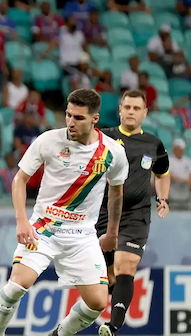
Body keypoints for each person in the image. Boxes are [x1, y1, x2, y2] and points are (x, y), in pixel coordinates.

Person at [0, 89, 129, 336]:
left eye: (78, 118)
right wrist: (22, 221)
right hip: (44, 228)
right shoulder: (49, 140)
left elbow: (116, 193)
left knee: (97, 302)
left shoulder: (113, 152)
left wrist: (112, 233)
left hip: (82, 236)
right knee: (17, 286)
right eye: (68, 115)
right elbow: (19, 180)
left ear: (94, 119)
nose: (70, 122)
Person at [96, 90, 170, 336]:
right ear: (120, 110)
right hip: (102, 214)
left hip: (136, 215)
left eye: (136, 108)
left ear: (145, 113)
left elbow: (162, 173)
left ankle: (113, 325)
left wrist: (163, 198)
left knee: (125, 265)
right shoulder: (104, 137)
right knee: (107, 274)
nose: (131, 112)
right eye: (127, 107)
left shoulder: (154, 144)